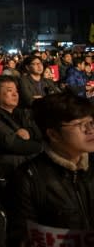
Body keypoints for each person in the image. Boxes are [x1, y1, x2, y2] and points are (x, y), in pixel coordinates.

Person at [8, 92, 94, 246]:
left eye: (91, 122)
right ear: (53, 134)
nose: (90, 130)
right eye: (79, 124)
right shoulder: (28, 178)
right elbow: (21, 236)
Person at [0, 76, 42, 204]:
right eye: (9, 90)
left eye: (16, 91)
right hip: (7, 174)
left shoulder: (19, 113)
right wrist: (43, 146)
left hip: (23, 170)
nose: (15, 94)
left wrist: (29, 132)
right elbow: (14, 144)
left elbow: (41, 130)